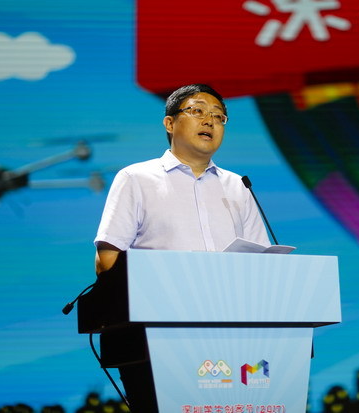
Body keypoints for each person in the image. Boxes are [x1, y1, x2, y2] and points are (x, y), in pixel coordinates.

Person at [93, 84, 271, 412]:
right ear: (170, 123)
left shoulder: (239, 186)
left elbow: (263, 262)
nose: (209, 121)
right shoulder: (136, 178)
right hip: (155, 336)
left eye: (219, 116)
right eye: (197, 111)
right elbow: (108, 260)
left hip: (234, 335)